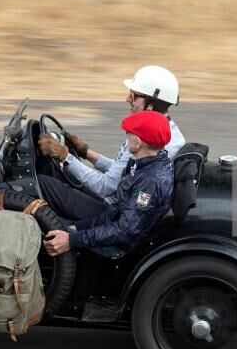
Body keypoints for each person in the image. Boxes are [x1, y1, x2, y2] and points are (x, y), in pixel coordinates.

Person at [37, 65, 185, 205]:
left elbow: (105, 187)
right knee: (57, 173)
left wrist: (65, 156)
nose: (127, 99)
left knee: (44, 182)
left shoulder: (151, 138)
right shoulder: (161, 130)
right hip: (118, 199)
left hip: (112, 209)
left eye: (133, 96)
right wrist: (86, 152)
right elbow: (122, 171)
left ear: (151, 105)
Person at [41, 110, 174, 257]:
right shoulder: (146, 163)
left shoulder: (149, 184)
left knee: (42, 228)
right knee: (56, 225)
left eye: (128, 133)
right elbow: (116, 213)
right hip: (111, 228)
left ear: (137, 141)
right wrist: (77, 228)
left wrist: (73, 239)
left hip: (118, 248)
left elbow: (126, 230)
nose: (127, 137)